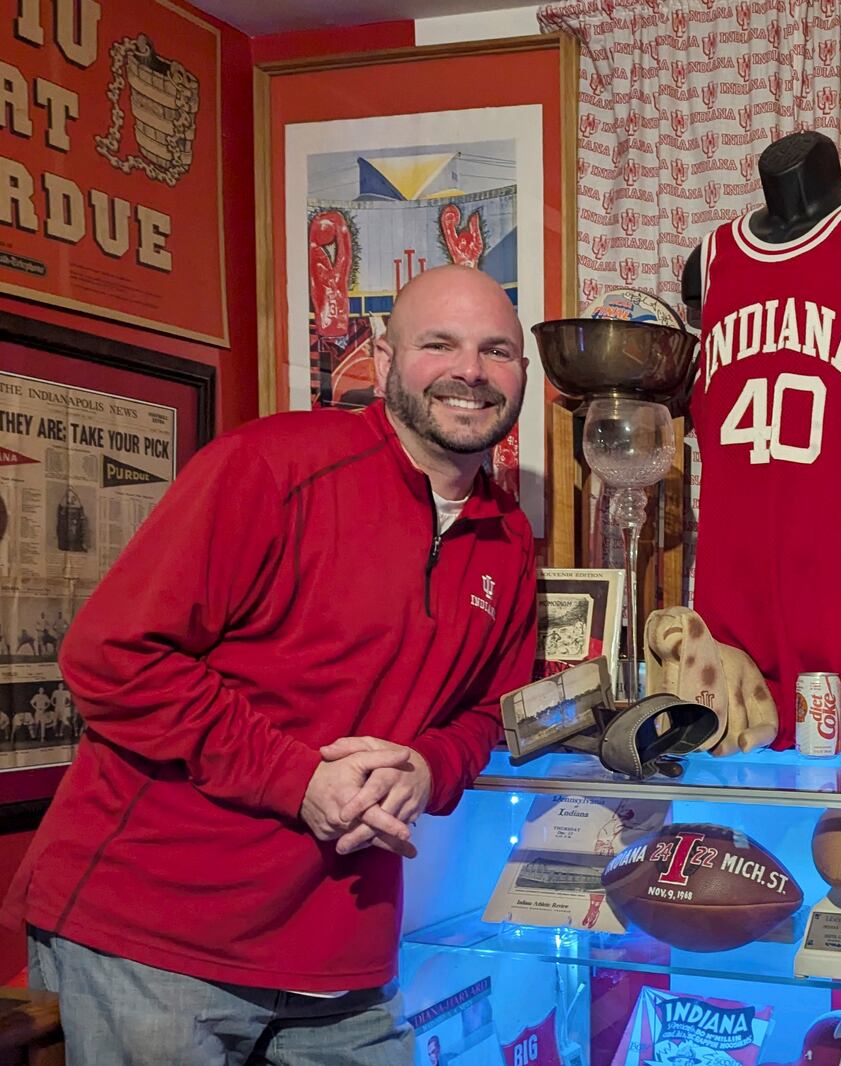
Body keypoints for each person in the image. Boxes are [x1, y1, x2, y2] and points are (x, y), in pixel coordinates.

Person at [3, 266, 540, 1064]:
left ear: (521, 378)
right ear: (386, 364)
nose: (471, 370)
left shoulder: (509, 539)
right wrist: (297, 779)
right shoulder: (274, 464)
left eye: (497, 350)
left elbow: (496, 711)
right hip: (159, 937)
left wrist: (428, 768)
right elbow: (113, 657)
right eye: (440, 344)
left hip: (343, 949)